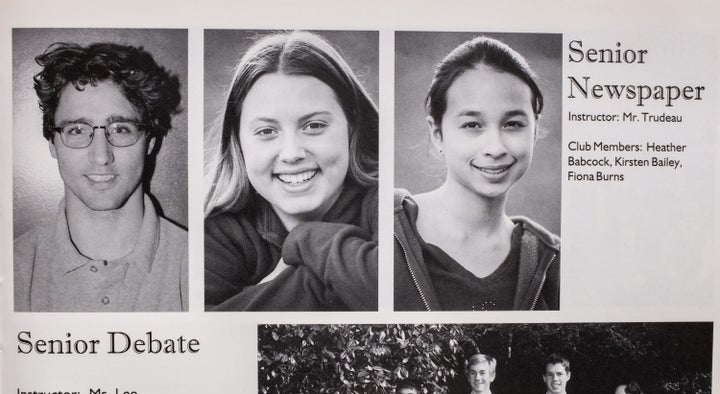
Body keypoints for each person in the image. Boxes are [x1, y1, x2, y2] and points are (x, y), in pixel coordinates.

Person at [204, 31, 378, 311]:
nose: (292, 153)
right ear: (238, 143)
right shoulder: (213, 234)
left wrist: (304, 239)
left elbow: (393, 292)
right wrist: (335, 278)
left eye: (314, 126)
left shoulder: (389, 208)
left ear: (352, 128)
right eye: (266, 131)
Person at [14, 42, 187, 312]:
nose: (101, 156)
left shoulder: (197, 266)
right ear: (52, 143)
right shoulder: (12, 271)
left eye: (120, 129)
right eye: (77, 130)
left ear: (150, 141)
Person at [394, 35, 560, 311]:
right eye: (472, 125)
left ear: (534, 129)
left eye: (513, 124)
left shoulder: (554, 261)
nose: (495, 148)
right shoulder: (384, 229)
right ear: (437, 134)